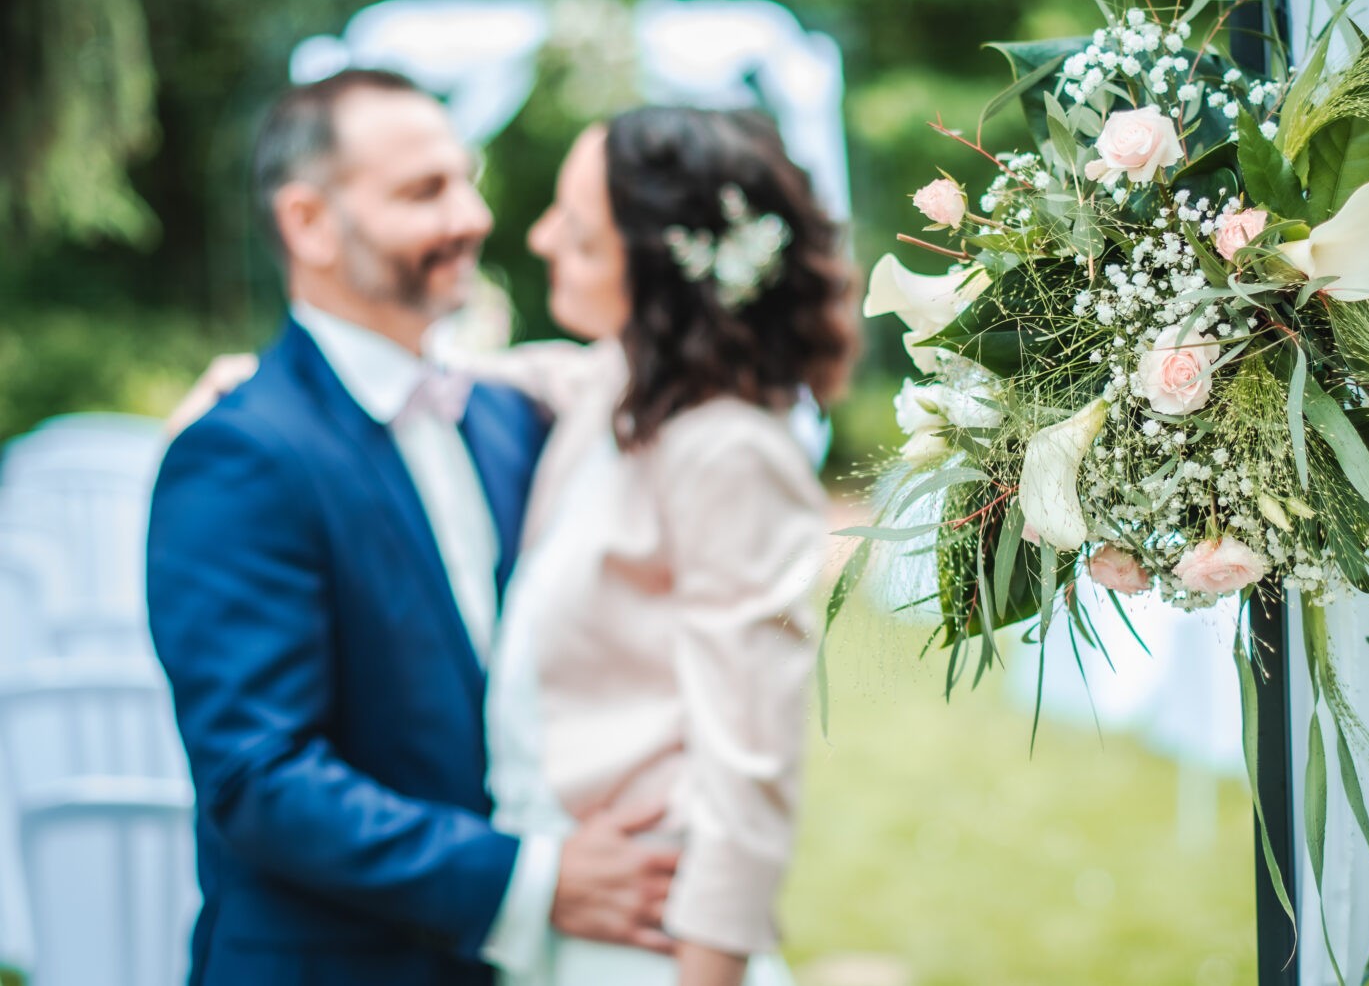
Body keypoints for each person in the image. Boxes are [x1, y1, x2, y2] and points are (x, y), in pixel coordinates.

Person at [146, 69, 677, 986]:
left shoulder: (512, 419)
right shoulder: (237, 453)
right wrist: (528, 877)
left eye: (464, 180)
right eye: (424, 192)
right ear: (308, 222)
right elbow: (259, 775)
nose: (471, 217)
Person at [474, 106, 857, 986]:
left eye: (575, 234)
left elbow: (750, 757)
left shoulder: (729, 450)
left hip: (650, 933)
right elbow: (514, 375)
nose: (538, 239)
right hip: (561, 907)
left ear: (656, 271)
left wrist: (708, 966)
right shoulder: (622, 387)